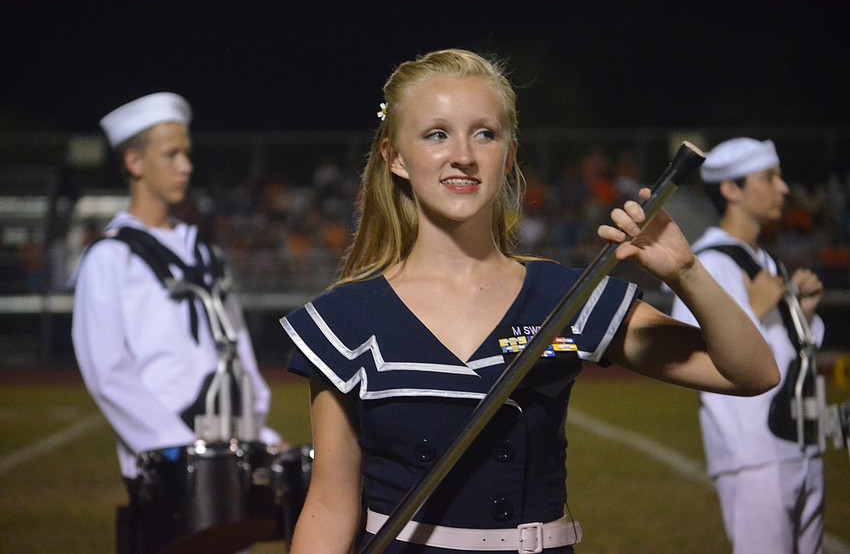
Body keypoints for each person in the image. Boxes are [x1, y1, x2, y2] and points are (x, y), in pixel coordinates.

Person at [279, 49, 778, 553]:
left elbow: (751, 373)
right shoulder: (346, 318)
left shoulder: (566, 295)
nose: (463, 155)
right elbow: (331, 504)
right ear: (395, 157)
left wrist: (688, 273)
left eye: (485, 134)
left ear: (509, 154)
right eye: (436, 134)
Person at [71, 92, 282, 553]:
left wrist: (257, 437)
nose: (186, 166)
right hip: (169, 469)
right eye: (171, 154)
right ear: (134, 161)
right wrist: (181, 451)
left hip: (229, 457)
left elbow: (237, 351)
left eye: (186, 153)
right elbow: (107, 371)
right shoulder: (109, 258)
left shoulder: (204, 251)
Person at [669, 137, 825, 554]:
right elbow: (691, 351)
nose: (783, 188)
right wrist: (754, 309)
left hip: (801, 445)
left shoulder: (765, 260)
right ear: (730, 189)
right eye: (768, 178)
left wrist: (802, 315)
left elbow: (786, 349)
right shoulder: (706, 264)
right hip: (753, 453)